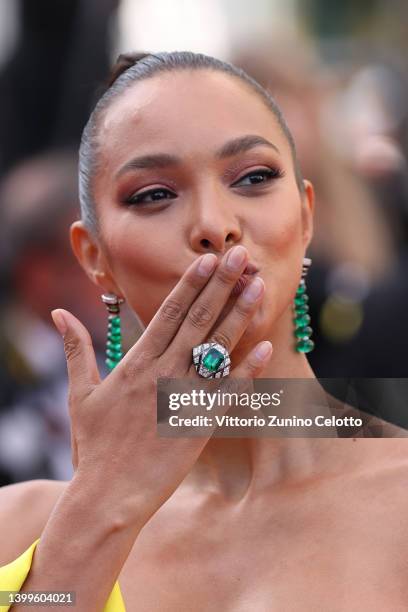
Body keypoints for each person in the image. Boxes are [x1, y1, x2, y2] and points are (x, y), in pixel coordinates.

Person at [1, 50, 408, 612]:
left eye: (254, 177)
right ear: (93, 257)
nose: (215, 227)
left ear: (306, 215)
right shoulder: (15, 530)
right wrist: (99, 511)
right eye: (154, 195)